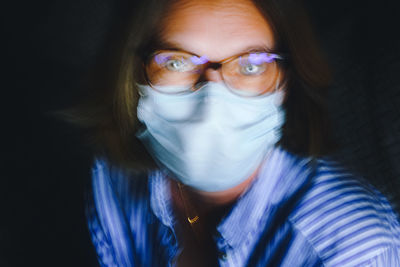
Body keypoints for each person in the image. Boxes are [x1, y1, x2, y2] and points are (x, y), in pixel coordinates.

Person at [73, 0, 400, 266]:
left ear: (285, 84)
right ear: (132, 77)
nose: (212, 94)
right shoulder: (114, 177)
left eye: (251, 65)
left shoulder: (350, 250)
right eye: (176, 62)